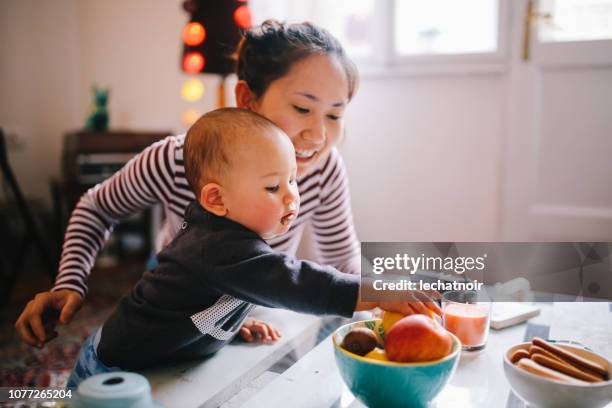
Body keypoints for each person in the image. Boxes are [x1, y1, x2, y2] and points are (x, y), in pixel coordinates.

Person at [15, 20, 429, 348]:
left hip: (258, 303)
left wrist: (391, 306)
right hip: (178, 304)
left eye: (335, 115)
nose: (318, 136)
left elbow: (342, 263)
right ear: (247, 98)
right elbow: (96, 206)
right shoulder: (175, 158)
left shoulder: (324, 167)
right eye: (303, 108)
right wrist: (69, 281)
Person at [65, 108, 441, 387]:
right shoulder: (217, 247)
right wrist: (375, 291)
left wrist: (228, 323)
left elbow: (199, 296)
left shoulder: (229, 239)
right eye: (273, 187)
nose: (291, 197)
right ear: (216, 199)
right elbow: (295, 281)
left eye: (292, 180)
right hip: (114, 372)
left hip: (163, 357)